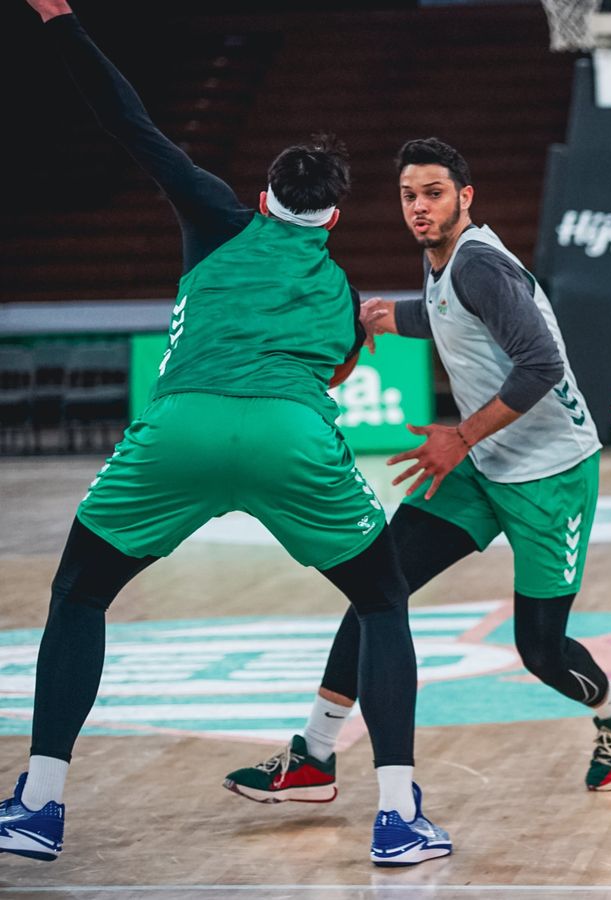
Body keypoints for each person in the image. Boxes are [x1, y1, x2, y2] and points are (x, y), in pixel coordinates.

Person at [1, 0, 449, 867]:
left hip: (181, 428)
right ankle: (398, 817)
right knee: (382, 601)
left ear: (261, 199)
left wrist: (62, 21)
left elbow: (128, 121)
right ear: (334, 220)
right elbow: (334, 374)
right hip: (292, 438)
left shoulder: (214, 217)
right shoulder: (340, 292)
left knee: (81, 593)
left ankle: (39, 804)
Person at [219, 138, 611, 801]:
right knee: (375, 587)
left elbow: (542, 366)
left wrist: (459, 436)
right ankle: (315, 753)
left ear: (465, 198)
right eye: (409, 196)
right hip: (482, 463)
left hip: (549, 475)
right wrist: (391, 318)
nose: (419, 208)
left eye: (434, 194)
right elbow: (454, 317)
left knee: (540, 650)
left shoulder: (480, 265)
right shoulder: (443, 263)